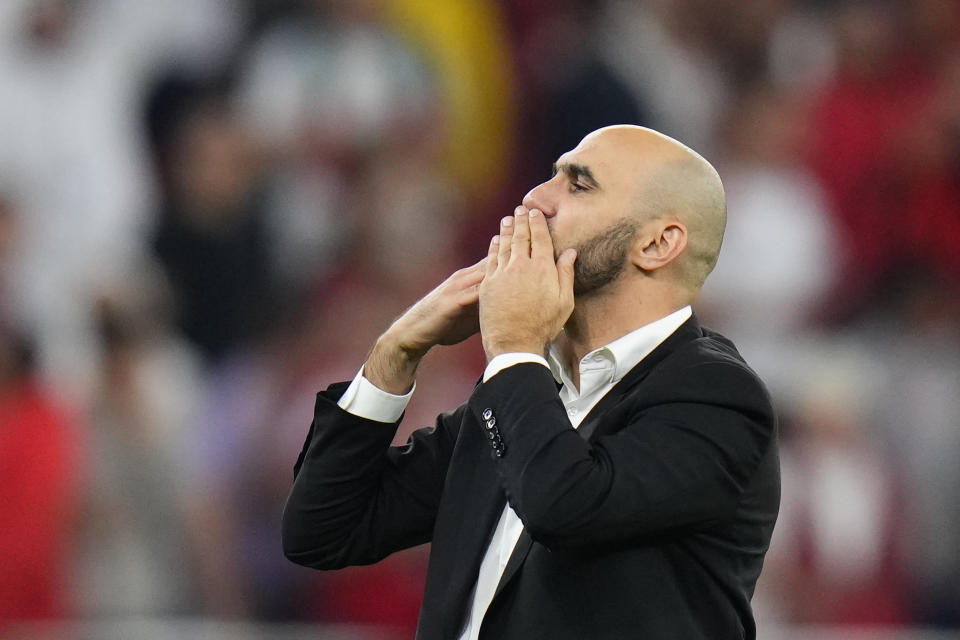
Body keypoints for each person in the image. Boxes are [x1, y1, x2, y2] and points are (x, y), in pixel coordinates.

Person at [282, 125, 780, 639]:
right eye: (552, 176)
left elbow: (563, 505)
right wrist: (396, 351)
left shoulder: (717, 397)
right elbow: (322, 531)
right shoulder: (526, 387)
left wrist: (514, 348)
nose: (536, 198)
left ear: (657, 243)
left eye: (579, 185)